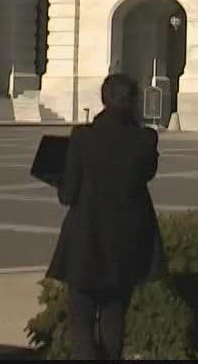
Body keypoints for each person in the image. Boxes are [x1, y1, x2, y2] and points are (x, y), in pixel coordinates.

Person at [47, 73, 165, 361]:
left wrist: (58, 179)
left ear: (103, 99)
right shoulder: (146, 139)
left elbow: (67, 195)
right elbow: (146, 173)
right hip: (127, 241)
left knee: (81, 318)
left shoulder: (83, 138)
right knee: (114, 317)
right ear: (134, 101)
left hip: (87, 238)